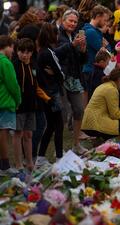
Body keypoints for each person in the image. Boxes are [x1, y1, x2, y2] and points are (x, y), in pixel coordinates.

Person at [35, 23, 82, 166]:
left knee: (50, 125)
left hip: (44, 93)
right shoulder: (49, 52)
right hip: (53, 93)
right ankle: (59, 158)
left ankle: (41, 157)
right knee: (58, 125)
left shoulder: (41, 51)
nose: (57, 36)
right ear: (51, 35)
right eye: (56, 33)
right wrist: (57, 74)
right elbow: (60, 73)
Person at [12, 38, 51, 172]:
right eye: (22, 51)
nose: (24, 55)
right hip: (18, 107)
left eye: (28, 52)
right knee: (18, 134)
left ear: (32, 52)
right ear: (17, 51)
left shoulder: (34, 66)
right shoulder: (14, 65)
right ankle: (18, 164)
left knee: (28, 134)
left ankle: (29, 162)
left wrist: (46, 98)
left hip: (31, 106)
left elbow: (36, 86)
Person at [58, 9, 88, 154]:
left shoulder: (76, 36)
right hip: (61, 78)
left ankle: (76, 144)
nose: (73, 24)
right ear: (63, 21)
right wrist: (73, 45)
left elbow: (82, 61)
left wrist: (83, 51)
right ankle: (59, 149)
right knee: (62, 114)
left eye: (75, 22)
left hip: (74, 78)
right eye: (70, 21)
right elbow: (56, 54)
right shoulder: (57, 35)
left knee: (79, 110)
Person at [81, 68, 120, 140]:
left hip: (87, 123)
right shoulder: (112, 89)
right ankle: (117, 140)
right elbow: (115, 114)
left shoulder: (103, 86)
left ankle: (102, 139)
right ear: (119, 79)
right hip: (95, 124)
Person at [81, 5, 111, 107]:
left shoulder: (94, 31)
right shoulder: (91, 32)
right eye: (105, 20)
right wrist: (106, 45)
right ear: (98, 16)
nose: (106, 23)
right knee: (93, 105)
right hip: (91, 72)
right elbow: (106, 53)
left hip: (93, 71)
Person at [0, 35, 21, 175]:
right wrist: (18, 99)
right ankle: (5, 165)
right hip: (5, 102)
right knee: (4, 132)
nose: (13, 50)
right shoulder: (6, 63)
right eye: (12, 47)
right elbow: (13, 84)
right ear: (6, 46)